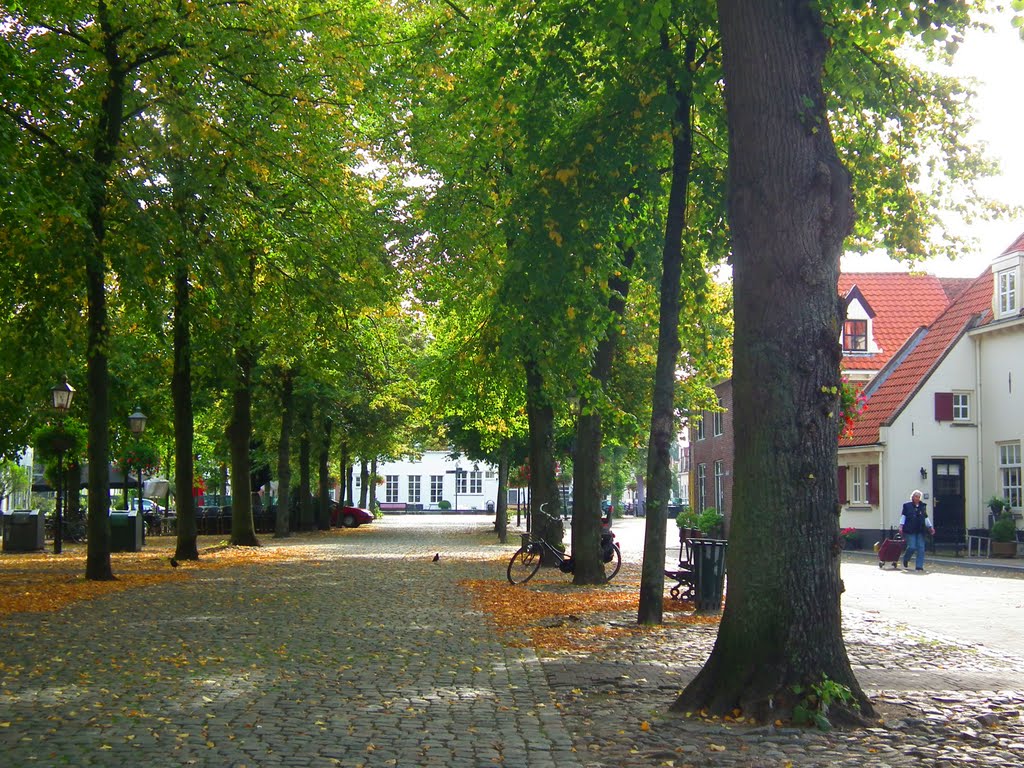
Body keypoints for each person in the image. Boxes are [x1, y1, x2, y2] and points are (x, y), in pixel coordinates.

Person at [899, 489, 935, 571]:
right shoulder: (906, 506)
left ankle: (919, 566)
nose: (917, 498)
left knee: (921, 548)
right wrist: (901, 526)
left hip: (920, 529)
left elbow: (926, 517)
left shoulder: (923, 506)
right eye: (916, 496)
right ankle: (906, 558)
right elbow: (903, 517)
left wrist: (930, 527)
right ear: (912, 497)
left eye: (919, 497)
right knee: (912, 547)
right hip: (909, 529)